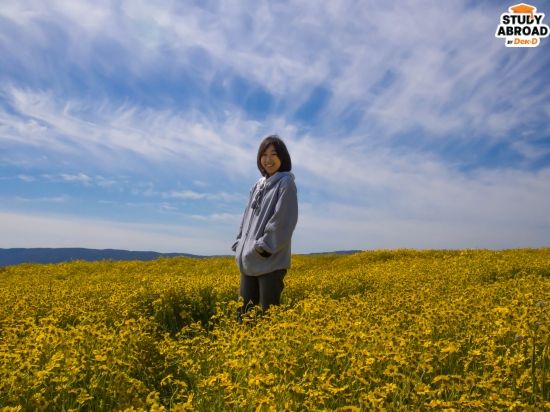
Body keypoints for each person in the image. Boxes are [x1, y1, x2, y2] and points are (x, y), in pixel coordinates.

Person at [232, 135, 298, 320]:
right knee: (244, 316)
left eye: (273, 154)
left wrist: (263, 248)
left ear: (282, 157)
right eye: (264, 154)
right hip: (249, 261)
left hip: (269, 261)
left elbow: (283, 220)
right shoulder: (258, 185)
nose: (268, 159)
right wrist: (240, 243)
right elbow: (246, 217)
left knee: (268, 317)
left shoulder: (286, 183)